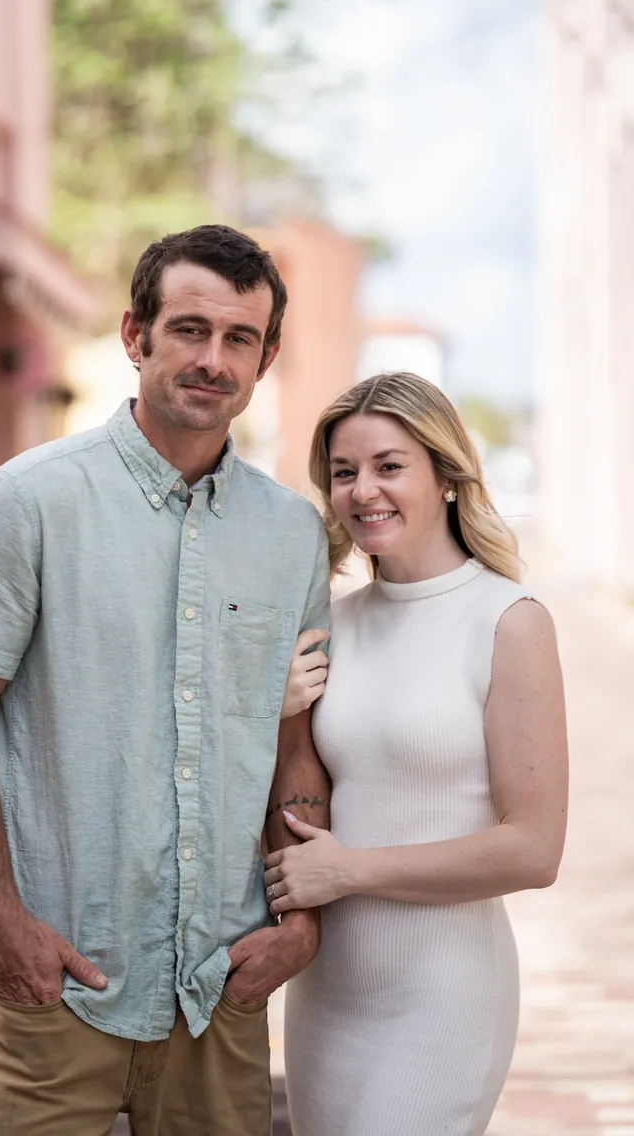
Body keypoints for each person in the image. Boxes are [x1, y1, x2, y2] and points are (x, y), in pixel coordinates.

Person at [0, 224, 333, 1136]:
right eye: (188, 329)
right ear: (136, 336)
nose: (211, 360)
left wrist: (298, 925)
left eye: (239, 339)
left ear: (266, 359)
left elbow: (293, 741)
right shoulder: (29, 503)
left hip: (222, 988)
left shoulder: (294, 533)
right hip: (60, 978)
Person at [264, 372, 569, 1136]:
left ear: (448, 477)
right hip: (328, 998)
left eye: (389, 466)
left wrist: (350, 871)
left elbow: (533, 851)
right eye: (343, 472)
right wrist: (272, 718)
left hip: (444, 997)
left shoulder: (509, 621)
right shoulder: (329, 624)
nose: (363, 490)